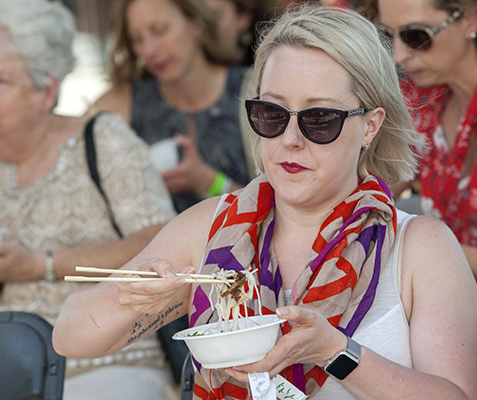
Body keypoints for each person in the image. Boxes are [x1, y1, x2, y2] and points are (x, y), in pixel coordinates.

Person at [53, 5, 477, 400]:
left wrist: (336, 352)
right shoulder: (213, 228)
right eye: (271, 115)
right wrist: (133, 295)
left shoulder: (419, 245)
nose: (290, 140)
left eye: (319, 119)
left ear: (370, 126)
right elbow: (70, 338)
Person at [0, 0, 177, 398]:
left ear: (47, 90)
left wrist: (40, 265)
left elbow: (162, 250)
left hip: (102, 370)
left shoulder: (102, 141)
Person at [94, 0, 256, 214]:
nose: (149, 50)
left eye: (159, 31)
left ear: (195, 24)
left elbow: (284, 211)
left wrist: (210, 183)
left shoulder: (254, 90)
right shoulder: (121, 105)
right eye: (137, 39)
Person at [359, 0, 477, 278]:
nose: (399, 55)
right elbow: (371, 192)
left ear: (471, 20)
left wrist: (416, 246)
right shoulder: (419, 99)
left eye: (416, 36)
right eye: (388, 36)